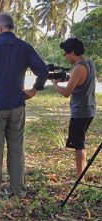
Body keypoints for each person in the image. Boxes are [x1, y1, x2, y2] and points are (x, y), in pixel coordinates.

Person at [0, 13, 48, 198]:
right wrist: (34, 89)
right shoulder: (25, 47)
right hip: (18, 104)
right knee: (17, 148)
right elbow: (43, 70)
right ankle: (19, 191)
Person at [52, 38, 96, 182]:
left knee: (78, 145)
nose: (65, 57)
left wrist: (55, 84)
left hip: (80, 111)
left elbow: (66, 93)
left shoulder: (78, 67)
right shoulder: (89, 63)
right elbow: (79, 81)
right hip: (89, 109)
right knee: (80, 144)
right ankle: (81, 175)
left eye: (66, 54)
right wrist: (65, 78)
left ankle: (79, 178)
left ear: (72, 52)